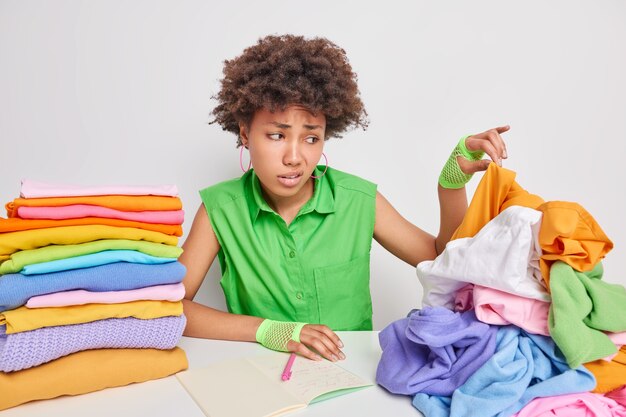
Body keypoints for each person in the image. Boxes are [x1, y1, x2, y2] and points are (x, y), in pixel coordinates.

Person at [180, 34, 508, 363]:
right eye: (277, 135)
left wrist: (450, 185)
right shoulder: (219, 210)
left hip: (352, 372)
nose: (294, 157)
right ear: (245, 132)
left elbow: (442, 260)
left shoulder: (358, 200)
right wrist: (268, 331)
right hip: (264, 376)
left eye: (311, 137)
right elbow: (169, 307)